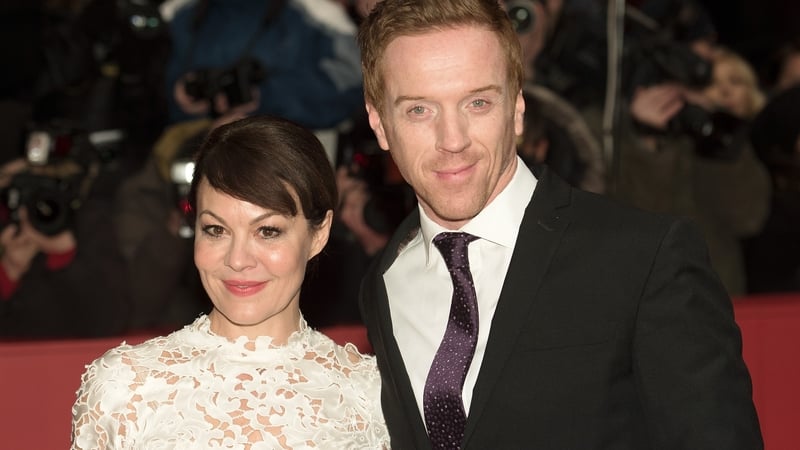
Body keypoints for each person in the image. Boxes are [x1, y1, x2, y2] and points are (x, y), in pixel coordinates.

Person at [355, 0, 762, 448]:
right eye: (419, 110)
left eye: (478, 102)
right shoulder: (384, 281)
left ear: (517, 108)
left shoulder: (644, 257)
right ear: (379, 123)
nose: (453, 140)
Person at [71, 115, 389, 448]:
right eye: (216, 230)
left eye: (267, 232)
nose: (237, 259)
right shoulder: (124, 389)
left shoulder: (372, 398)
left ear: (319, 234)